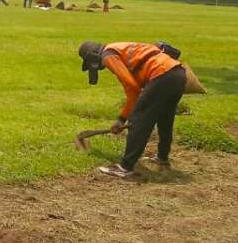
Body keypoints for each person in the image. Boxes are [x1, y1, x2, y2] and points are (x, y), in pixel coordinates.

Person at [78, 40, 187, 179]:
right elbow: (135, 86)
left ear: (93, 56)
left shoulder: (108, 55)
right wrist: (122, 119)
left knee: (138, 120)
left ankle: (126, 167)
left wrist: (122, 119)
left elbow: (133, 88)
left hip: (161, 75)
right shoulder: (119, 47)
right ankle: (162, 158)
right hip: (178, 74)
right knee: (165, 117)